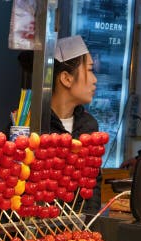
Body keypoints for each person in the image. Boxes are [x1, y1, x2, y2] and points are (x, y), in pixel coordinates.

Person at [48, 35, 101, 213]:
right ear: (66, 78)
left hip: (77, 232)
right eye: (90, 70)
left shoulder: (89, 125)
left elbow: (93, 183)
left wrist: (88, 226)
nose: (94, 80)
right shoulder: (30, 124)